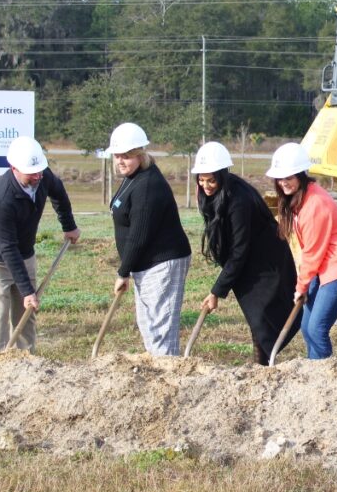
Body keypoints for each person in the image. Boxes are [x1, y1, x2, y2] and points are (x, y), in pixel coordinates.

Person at [194, 141, 299, 365]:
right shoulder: (213, 193)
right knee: (255, 318)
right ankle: (261, 364)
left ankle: (263, 366)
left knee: (262, 316)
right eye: (201, 180)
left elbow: (239, 249)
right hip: (249, 260)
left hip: (267, 262)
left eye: (211, 180)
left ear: (222, 175)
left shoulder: (238, 200)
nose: (206, 186)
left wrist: (216, 291)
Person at [0, 136, 81, 352]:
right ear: (14, 168)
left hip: (24, 251)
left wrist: (69, 226)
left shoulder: (42, 175)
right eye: (31, 173)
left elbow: (59, 193)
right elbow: (7, 248)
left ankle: (27, 361)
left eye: (39, 171)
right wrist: (27, 291)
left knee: (26, 312)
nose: (37, 176)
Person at [267, 142, 337, 360]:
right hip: (322, 270)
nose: (283, 182)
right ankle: (313, 371)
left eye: (288, 177)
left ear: (300, 175)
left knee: (317, 329)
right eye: (280, 178)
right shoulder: (301, 198)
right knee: (307, 327)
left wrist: (301, 287)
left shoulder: (315, 204)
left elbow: (312, 253)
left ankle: (325, 373)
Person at [107, 122, 192, 356]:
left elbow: (139, 235)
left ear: (139, 154)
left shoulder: (147, 185)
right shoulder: (133, 176)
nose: (120, 161)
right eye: (117, 156)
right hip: (145, 264)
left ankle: (168, 371)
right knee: (148, 326)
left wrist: (123, 272)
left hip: (162, 263)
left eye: (126, 156)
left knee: (160, 330)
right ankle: (158, 368)